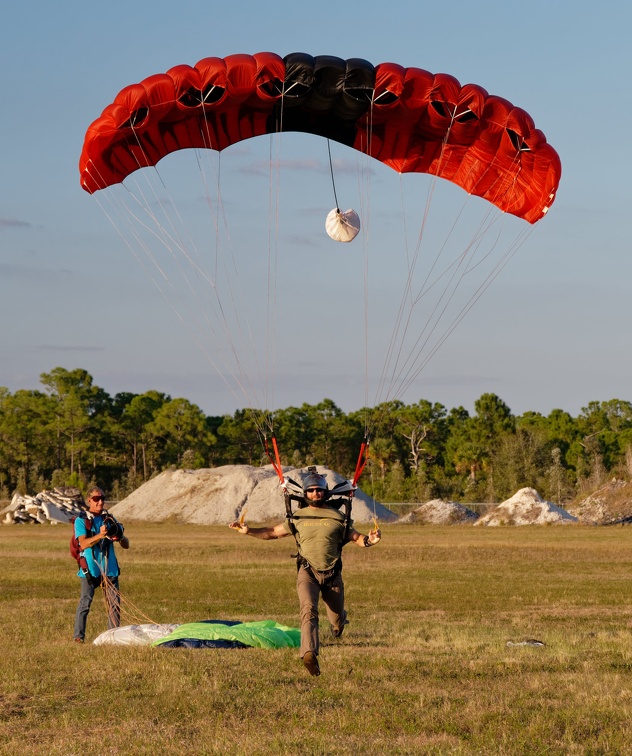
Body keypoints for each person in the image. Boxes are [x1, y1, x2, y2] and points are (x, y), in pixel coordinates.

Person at [229, 471, 381, 676]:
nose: (315, 493)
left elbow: (357, 538)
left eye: (319, 490)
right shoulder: (297, 517)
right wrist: (249, 531)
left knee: (336, 616)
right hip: (307, 571)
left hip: (332, 573)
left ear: (325, 492)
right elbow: (273, 533)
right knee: (308, 609)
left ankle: (340, 622)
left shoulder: (338, 517)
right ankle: (309, 653)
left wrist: (370, 540)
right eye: (311, 490)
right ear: (305, 494)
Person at [73, 487, 129, 643]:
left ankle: (112, 637)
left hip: (109, 569)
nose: (100, 501)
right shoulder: (81, 520)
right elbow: (83, 544)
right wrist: (101, 535)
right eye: (96, 499)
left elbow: (126, 544)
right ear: (89, 500)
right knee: (85, 603)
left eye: (102, 498)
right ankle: (79, 637)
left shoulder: (109, 519)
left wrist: (119, 535)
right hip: (90, 569)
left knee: (114, 606)